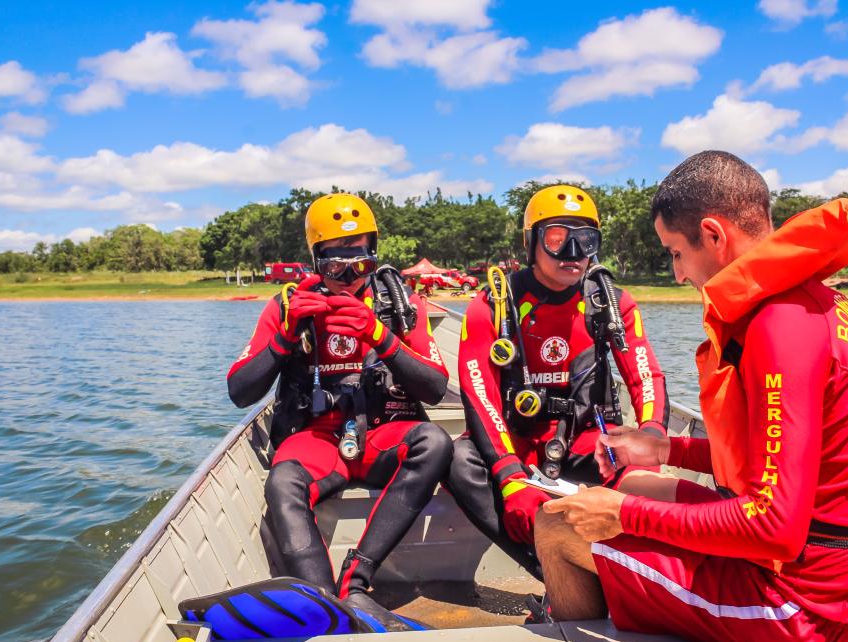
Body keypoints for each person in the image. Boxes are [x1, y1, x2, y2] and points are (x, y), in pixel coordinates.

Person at [536, 151, 848, 642]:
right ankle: (624, 591)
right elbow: (785, 462)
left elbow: (773, 526)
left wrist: (619, 515)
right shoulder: (816, 300)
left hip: (801, 609)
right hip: (846, 579)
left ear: (713, 235)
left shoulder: (777, 326)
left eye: (675, 253)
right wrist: (664, 448)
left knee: (556, 525)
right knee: (638, 481)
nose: (676, 273)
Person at [227, 192, 453, 613]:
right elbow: (240, 391)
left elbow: (436, 388)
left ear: (374, 255)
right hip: (316, 437)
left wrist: (379, 336)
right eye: (335, 264)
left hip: (383, 431)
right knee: (282, 482)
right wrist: (286, 335)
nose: (349, 275)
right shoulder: (287, 306)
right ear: (316, 260)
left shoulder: (399, 306)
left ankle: (357, 580)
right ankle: (325, 602)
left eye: (361, 263)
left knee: (436, 443)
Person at [446, 184, 669, 576]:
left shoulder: (611, 304)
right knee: (456, 459)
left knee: (641, 473)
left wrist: (649, 436)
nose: (573, 254)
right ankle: (550, 567)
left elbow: (645, 376)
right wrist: (509, 476)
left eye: (585, 241)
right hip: (519, 442)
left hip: (588, 442)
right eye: (557, 240)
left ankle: (629, 567)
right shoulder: (493, 307)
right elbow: (479, 395)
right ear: (532, 243)